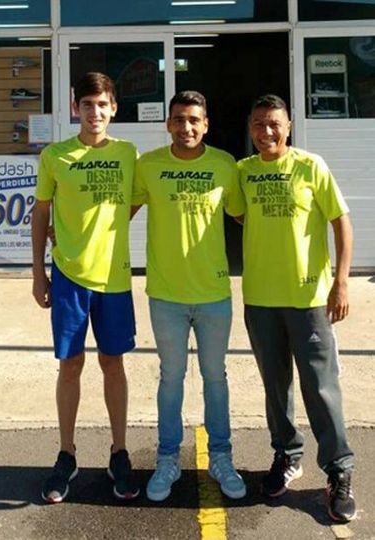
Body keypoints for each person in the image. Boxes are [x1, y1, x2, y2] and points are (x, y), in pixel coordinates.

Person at [235, 94, 356, 522]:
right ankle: (286, 455)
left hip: (308, 300)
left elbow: (341, 222)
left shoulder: (311, 166)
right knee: (275, 387)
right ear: (249, 129)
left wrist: (340, 283)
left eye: (274, 124)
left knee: (321, 387)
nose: (266, 132)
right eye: (258, 125)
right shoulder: (243, 173)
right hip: (261, 299)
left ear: (288, 126)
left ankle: (339, 470)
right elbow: (234, 214)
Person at [131, 90, 246, 502]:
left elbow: (249, 217)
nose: (187, 127)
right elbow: (115, 213)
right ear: (168, 124)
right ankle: (167, 458)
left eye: (194, 120)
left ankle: (221, 455)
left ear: (206, 124)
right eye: (179, 119)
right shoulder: (148, 166)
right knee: (171, 378)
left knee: (216, 378)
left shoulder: (224, 165)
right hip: (166, 295)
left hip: (214, 293)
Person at [31, 72, 139, 503]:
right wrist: (39, 273)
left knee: (113, 364)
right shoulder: (56, 155)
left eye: (103, 104)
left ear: (114, 108)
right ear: (76, 107)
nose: (95, 112)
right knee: (70, 365)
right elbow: (41, 214)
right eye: (87, 104)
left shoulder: (129, 154)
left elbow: (135, 201)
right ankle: (67, 454)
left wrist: (102, 230)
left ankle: (119, 452)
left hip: (114, 279)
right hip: (68, 279)